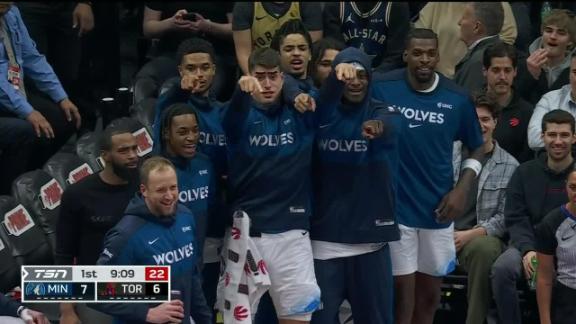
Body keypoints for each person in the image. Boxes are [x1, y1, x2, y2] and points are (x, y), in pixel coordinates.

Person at [371, 28, 484, 324]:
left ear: (438, 56)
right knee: (401, 297)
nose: (424, 59)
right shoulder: (383, 86)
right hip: (395, 208)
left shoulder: (456, 98)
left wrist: (462, 190)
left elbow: (477, 146)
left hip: (438, 210)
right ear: (406, 54)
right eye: (417, 53)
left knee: (430, 297)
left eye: (430, 53)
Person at [298, 47, 403, 324]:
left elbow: (391, 123)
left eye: (361, 75)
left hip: (370, 245)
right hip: (323, 243)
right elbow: (317, 100)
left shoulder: (382, 110)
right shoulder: (321, 113)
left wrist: (377, 128)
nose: (355, 81)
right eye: (348, 76)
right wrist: (335, 77)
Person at [222, 47, 321, 323]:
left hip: (292, 236)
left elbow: (321, 97)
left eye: (273, 77)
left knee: (298, 318)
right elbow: (232, 119)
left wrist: (295, 92)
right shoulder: (238, 115)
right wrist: (241, 93)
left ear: (282, 78)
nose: (266, 84)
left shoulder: (301, 110)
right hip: (246, 235)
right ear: (249, 76)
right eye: (259, 77)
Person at [91, 156, 212, 324]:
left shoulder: (185, 216)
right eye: (161, 190)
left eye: (173, 187)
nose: (169, 196)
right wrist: (146, 313)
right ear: (144, 190)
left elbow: (192, 279)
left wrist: (205, 320)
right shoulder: (126, 235)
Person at [491, 109, 576, 324]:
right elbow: (515, 217)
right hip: (528, 246)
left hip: (569, 248)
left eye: (564, 135)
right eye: (552, 135)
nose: (558, 141)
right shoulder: (524, 172)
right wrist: (528, 249)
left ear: (574, 137)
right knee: (502, 269)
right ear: (542, 137)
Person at [56, 120, 139, 324]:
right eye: (124, 151)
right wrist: (66, 309)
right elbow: (64, 254)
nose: (133, 156)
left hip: (142, 284)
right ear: (105, 156)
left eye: (134, 148)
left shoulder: (145, 183)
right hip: (98, 288)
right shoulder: (78, 195)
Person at [452, 93, 519, 324]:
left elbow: (505, 217)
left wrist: (469, 234)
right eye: (474, 119)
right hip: (440, 234)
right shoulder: (447, 152)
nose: (480, 125)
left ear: (495, 122)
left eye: (486, 119)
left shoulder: (510, 165)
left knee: (486, 248)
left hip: (477, 239)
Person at [153, 103, 220, 321]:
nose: (191, 137)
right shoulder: (155, 172)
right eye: (182, 132)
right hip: (164, 274)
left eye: (194, 130)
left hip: (196, 267)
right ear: (166, 133)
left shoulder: (205, 164)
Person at [0, 2, 81, 169]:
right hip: (4, 95)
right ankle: (8, 188)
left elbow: (32, 57)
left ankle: (33, 175)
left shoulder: (11, 13)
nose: (6, 6)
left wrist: (61, 97)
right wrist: (28, 111)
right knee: (24, 130)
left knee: (65, 119)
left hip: (15, 90)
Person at [18, 1, 96, 132]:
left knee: (74, 72)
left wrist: (86, 2)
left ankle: (86, 137)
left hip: (68, 6)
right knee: (31, 77)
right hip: (26, 6)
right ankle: (41, 131)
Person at [136, 2, 235, 103]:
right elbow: (148, 28)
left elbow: (237, 29)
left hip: (213, 57)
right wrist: (170, 24)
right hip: (170, 55)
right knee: (145, 81)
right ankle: (150, 116)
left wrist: (208, 26)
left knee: (204, 87)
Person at [414, 2, 517, 79]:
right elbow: (419, 35)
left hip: (476, 75)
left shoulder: (497, 5)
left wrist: (478, 61)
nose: (459, 23)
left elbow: (506, 39)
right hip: (434, 76)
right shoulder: (437, 5)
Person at [232, 2, 322, 75]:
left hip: (298, 73)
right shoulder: (245, 5)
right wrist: (254, 80)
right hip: (259, 69)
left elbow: (311, 49)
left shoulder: (309, 5)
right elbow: (244, 54)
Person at [535, 168, 576, 324]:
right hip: (567, 300)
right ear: (566, 186)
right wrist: (545, 320)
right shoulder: (551, 224)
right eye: (573, 187)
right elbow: (544, 278)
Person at [483, 42, 534, 163]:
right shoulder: (470, 106)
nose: (502, 77)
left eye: (507, 70)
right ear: (485, 71)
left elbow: (527, 158)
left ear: (515, 71)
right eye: (496, 70)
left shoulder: (527, 112)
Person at [322, 1, 410, 72]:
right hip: (344, 71)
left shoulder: (397, 6)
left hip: (383, 75)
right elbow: (334, 49)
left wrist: (371, 76)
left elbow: (396, 55)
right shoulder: (335, 5)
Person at [517, 9, 576, 105]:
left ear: (570, 41)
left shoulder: (573, 69)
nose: (553, 36)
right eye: (548, 30)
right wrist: (530, 76)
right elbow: (515, 102)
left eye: (561, 33)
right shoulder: (523, 61)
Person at [527, 53, 576, 150]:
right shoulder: (551, 99)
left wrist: (552, 135)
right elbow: (534, 139)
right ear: (569, 74)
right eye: (575, 72)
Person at [454, 2, 504, 93]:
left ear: (476, 27)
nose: (459, 22)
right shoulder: (495, 50)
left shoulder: (479, 61)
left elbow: (469, 103)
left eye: (464, 18)